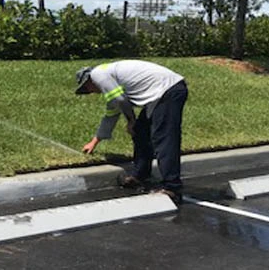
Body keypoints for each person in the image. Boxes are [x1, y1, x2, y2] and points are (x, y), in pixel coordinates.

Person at [74, 60, 188, 203]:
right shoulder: (109, 83)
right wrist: (94, 142)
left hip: (167, 90)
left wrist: (130, 121)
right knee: (141, 131)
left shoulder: (97, 74)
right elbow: (111, 116)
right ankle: (139, 175)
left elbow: (121, 100)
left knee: (164, 139)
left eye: (87, 89)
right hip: (160, 93)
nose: (91, 92)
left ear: (88, 81)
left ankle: (172, 187)